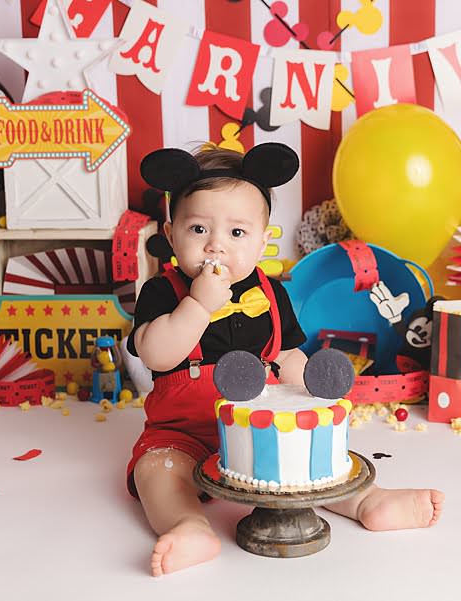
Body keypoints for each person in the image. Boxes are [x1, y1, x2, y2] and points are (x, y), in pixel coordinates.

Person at [126, 143, 444, 577]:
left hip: (260, 428)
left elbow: (286, 354)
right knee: (157, 472)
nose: (216, 246)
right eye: (199, 229)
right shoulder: (163, 291)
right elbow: (155, 353)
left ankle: (370, 501)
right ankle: (190, 526)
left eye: (237, 233)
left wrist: (315, 389)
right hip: (182, 434)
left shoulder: (272, 293)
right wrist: (197, 306)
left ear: (262, 239)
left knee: (307, 464)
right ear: (171, 230)